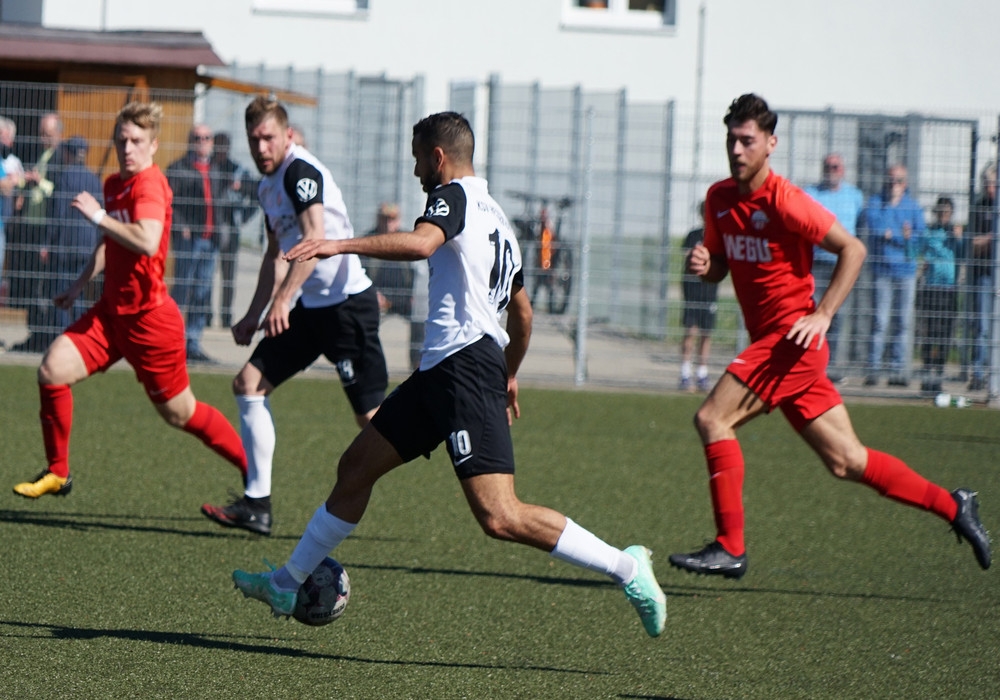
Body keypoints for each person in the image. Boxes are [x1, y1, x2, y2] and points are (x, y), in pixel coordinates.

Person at [231, 111, 668, 638]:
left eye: (419, 159)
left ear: (438, 157)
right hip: (443, 371)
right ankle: (287, 582)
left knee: (499, 515)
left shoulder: (452, 197)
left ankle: (627, 568)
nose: (416, 172)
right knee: (355, 468)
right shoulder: (499, 220)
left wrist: (337, 244)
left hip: (464, 369)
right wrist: (509, 373)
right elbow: (522, 315)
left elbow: (421, 244)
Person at [668, 94, 990, 581]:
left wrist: (822, 314)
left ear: (771, 144)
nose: (736, 150)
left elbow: (853, 249)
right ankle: (954, 505)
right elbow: (719, 270)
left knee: (713, 418)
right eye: (731, 139)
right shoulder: (719, 199)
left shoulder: (786, 200)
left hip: (791, 344)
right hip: (778, 348)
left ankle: (730, 546)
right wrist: (706, 265)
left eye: (747, 140)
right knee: (847, 461)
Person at [12, 102, 248, 499]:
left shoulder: (149, 185)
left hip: (150, 322)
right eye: (122, 140)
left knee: (181, 413)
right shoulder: (113, 184)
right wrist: (79, 284)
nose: (127, 149)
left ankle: (252, 471)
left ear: (153, 145)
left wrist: (98, 217)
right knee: (52, 370)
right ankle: (57, 472)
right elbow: (111, 241)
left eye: (137, 141)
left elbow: (147, 239)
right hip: (111, 315)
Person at [199, 97, 388, 536]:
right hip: (309, 310)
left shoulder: (299, 172)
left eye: (268, 137)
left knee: (373, 421)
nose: (261, 147)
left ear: (286, 135)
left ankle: (450, 430)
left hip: (347, 308)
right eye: (254, 139)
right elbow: (275, 254)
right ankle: (257, 505)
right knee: (248, 385)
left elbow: (314, 238)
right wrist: (254, 313)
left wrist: (282, 300)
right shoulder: (266, 186)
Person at [862, 164, 925, 387]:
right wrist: (903, 237)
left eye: (898, 180)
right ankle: (873, 369)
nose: (893, 184)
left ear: (904, 183)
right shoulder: (875, 203)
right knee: (880, 321)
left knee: (903, 322)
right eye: (890, 180)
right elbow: (876, 228)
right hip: (882, 271)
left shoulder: (913, 207)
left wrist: (896, 237)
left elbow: (918, 238)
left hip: (906, 272)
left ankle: (898, 371)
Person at [803, 153, 864, 376]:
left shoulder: (855, 196)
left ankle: (833, 366)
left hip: (842, 264)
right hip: (817, 262)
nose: (832, 170)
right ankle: (812, 366)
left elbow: (860, 228)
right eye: (828, 166)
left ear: (843, 169)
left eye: (836, 166)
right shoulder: (810, 194)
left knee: (838, 315)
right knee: (813, 312)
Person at [38, 137, 102, 344]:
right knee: (80, 292)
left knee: (62, 291)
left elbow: (56, 213)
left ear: (68, 153)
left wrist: (47, 243)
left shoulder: (63, 177)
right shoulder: (94, 179)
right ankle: (81, 338)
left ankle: (63, 338)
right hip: (87, 245)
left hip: (64, 245)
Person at [166, 124, 220, 364]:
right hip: (189, 241)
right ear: (190, 140)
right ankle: (172, 340)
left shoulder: (217, 169)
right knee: (182, 289)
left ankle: (193, 343)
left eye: (207, 137)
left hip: (211, 240)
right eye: (198, 137)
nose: (202, 141)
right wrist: (181, 226)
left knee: (202, 292)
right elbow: (169, 202)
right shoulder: (178, 169)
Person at [9, 113, 63, 353]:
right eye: (41, 133)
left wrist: (40, 181)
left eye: (47, 134)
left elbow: (59, 192)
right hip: (31, 227)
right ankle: (34, 333)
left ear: (58, 134)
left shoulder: (60, 158)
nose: (42, 138)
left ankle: (44, 335)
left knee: (43, 285)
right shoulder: (41, 154)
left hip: (45, 230)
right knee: (30, 283)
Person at [916, 196, 962, 394]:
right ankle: (927, 375)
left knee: (944, 335)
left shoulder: (956, 234)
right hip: (931, 288)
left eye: (947, 212)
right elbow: (915, 252)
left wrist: (959, 238)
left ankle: (939, 376)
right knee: (929, 334)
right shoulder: (929, 233)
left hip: (949, 290)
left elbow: (965, 255)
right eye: (941, 211)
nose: (944, 215)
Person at [212, 131, 258, 329]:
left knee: (228, 277)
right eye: (218, 146)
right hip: (210, 230)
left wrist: (244, 217)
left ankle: (226, 316)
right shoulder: (209, 168)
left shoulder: (237, 170)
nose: (220, 150)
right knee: (206, 275)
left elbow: (256, 194)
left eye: (224, 147)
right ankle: (205, 314)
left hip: (230, 229)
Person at [964, 163, 996, 392]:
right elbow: (973, 243)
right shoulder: (979, 207)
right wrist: (992, 239)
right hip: (984, 275)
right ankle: (978, 373)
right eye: (986, 183)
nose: (989, 187)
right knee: (982, 325)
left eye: (992, 183)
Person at [678, 202, 717, 392]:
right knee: (690, 331)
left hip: (709, 291)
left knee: (706, 333)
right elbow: (687, 259)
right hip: (693, 290)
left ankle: (702, 373)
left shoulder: (717, 237)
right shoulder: (693, 236)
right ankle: (685, 372)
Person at [365, 202, 414, 316]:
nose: (388, 223)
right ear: (378, 219)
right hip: (374, 305)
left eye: (392, 219)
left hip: (402, 306)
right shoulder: (367, 242)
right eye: (385, 219)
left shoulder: (407, 241)